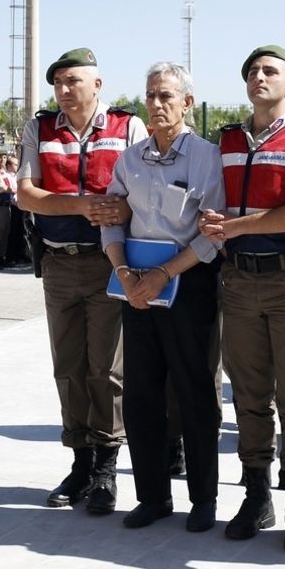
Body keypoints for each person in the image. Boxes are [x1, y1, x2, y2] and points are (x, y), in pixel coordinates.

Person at [200, 45, 285, 553]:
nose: (260, 77)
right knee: (250, 395)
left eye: (271, 71)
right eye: (253, 71)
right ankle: (256, 494)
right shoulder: (227, 139)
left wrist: (232, 226)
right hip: (238, 279)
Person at [16, 47, 147, 515]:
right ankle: (80, 460)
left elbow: (144, 191)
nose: (65, 90)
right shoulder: (40, 129)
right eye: (58, 83)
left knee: (107, 369)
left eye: (74, 81)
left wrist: (120, 210)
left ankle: (107, 468)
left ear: (98, 84)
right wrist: (81, 205)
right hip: (58, 263)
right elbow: (27, 194)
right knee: (68, 366)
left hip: (109, 262)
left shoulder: (128, 127)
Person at [102, 62, 225, 532]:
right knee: (140, 395)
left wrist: (163, 275)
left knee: (193, 395)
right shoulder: (130, 159)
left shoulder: (206, 157)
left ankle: (204, 499)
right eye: (151, 95)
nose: (156, 105)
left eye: (166, 96)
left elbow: (212, 233)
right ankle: (152, 496)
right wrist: (124, 272)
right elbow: (113, 219)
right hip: (135, 290)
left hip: (187, 287)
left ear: (187, 103)